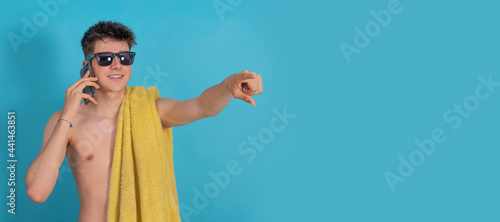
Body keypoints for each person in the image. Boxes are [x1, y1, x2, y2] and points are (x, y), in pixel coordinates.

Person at [24, 21, 263, 222]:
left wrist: (227, 86)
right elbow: (37, 191)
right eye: (105, 58)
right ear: (87, 65)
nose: (117, 65)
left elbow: (202, 106)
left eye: (125, 57)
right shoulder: (65, 121)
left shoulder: (153, 109)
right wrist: (67, 115)